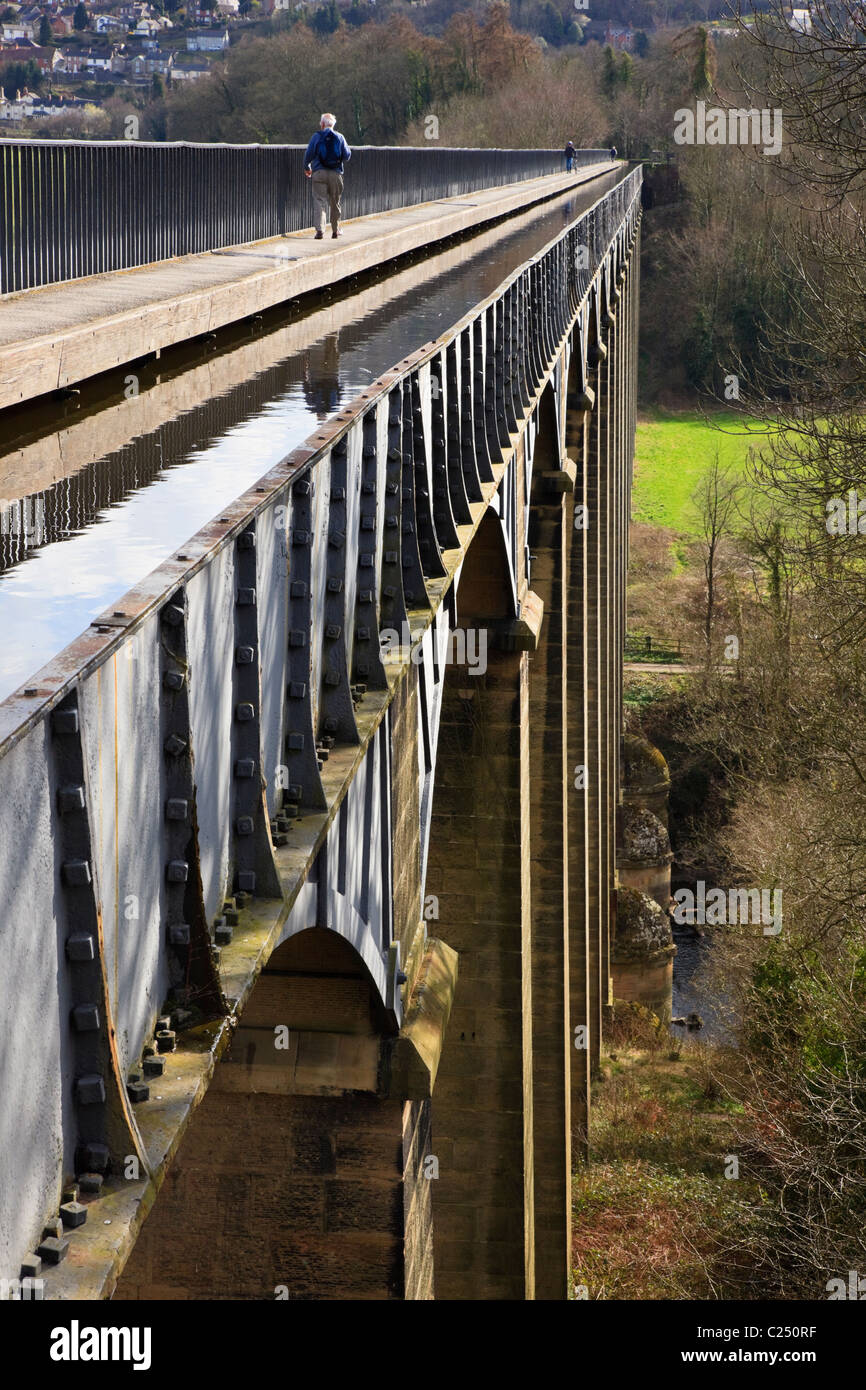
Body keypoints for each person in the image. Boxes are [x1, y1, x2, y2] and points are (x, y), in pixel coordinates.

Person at [304, 112, 352, 241]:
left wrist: (307, 167)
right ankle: (335, 231)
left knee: (320, 201)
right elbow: (347, 156)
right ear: (333, 125)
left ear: (323, 124)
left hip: (319, 173)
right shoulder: (340, 137)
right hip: (335, 173)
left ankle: (320, 231)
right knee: (335, 202)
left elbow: (309, 154)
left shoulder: (317, 136)